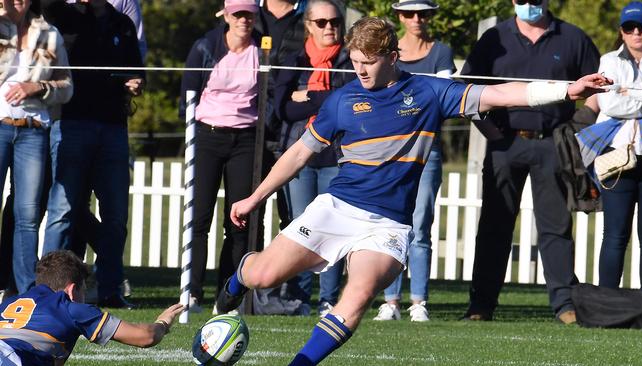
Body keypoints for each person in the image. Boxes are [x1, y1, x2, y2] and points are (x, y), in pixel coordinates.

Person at [215, 16, 608, 365]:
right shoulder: (342, 100)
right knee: (263, 276)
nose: (360, 70)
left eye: (368, 62)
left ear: (391, 56)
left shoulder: (429, 92)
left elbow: (501, 94)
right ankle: (240, 276)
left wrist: (566, 90)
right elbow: (299, 153)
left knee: (360, 293)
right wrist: (255, 197)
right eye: (354, 61)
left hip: (388, 225)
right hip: (337, 209)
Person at [461, 0, 601, 325]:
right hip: (504, 144)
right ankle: (481, 306)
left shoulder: (573, 37)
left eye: (536, 0)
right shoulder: (494, 38)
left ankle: (565, 306)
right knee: (494, 226)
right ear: (513, 2)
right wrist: (490, 132)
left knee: (556, 228)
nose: (530, 5)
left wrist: (577, 125)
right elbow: (467, 89)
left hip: (552, 144)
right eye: (522, 0)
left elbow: (594, 88)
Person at [40, 0, 145, 309]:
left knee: (115, 217)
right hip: (71, 124)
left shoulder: (122, 23)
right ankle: (46, 292)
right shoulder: (64, 16)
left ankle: (110, 289)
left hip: (113, 128)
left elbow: (137, 70)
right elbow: (45, 6)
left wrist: (137, 82)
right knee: (62, 212)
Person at [373, 0, 455, 323]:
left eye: (422, 13)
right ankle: (390, 301)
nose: (416, 19)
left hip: (427, 150)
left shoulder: (441, 53)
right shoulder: (389, 53)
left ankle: (418, 301)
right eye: (409, 13)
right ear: (399, 16)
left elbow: (445, 101)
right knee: (393, 225)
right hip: (390, 152)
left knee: (420, 225)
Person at [179, 0, 262, 314]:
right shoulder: (206, 47)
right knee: (198, 219)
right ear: (226, 16)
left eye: (249, 15)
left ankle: (227, 296)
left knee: (239, 221)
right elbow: (187, 92)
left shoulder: (260, 51)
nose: (244, 20)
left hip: (245, 139)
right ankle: (192, 294)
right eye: (238, 14)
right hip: (207, 135)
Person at [274, 0, 354, 317]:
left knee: (332, 228)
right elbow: (283, 109)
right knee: (301, 227)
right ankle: (299, 297)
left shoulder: (350, 62)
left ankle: (329, 299)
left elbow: (347, 105)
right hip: (300, 152)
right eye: (321, 22)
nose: (329, 27)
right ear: (308, 25)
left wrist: (306, 96)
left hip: (337, 155)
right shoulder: (294, 59)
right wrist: (324, 101)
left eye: (334, 21)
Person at [576, 2, 642, 291]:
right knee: (615, 234)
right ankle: (607, 299)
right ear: (621, 31)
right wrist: (641, 99)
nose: (637, 33)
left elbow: (621, 100)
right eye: (630, 28)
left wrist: (627, 92)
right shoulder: (609, 60)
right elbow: (609, 103)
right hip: (616, 157)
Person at [0, 0, 72, 296]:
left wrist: (38, 88)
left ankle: (25, 292)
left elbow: (68, 87)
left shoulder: (49, 33)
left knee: (28, 215)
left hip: (33, 131)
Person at [0, 250, 184, 365]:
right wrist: (163, 322)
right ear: (72, 290)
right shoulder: (70, 308)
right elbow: (146, 336)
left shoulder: (9, 303)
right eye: (84, 291)